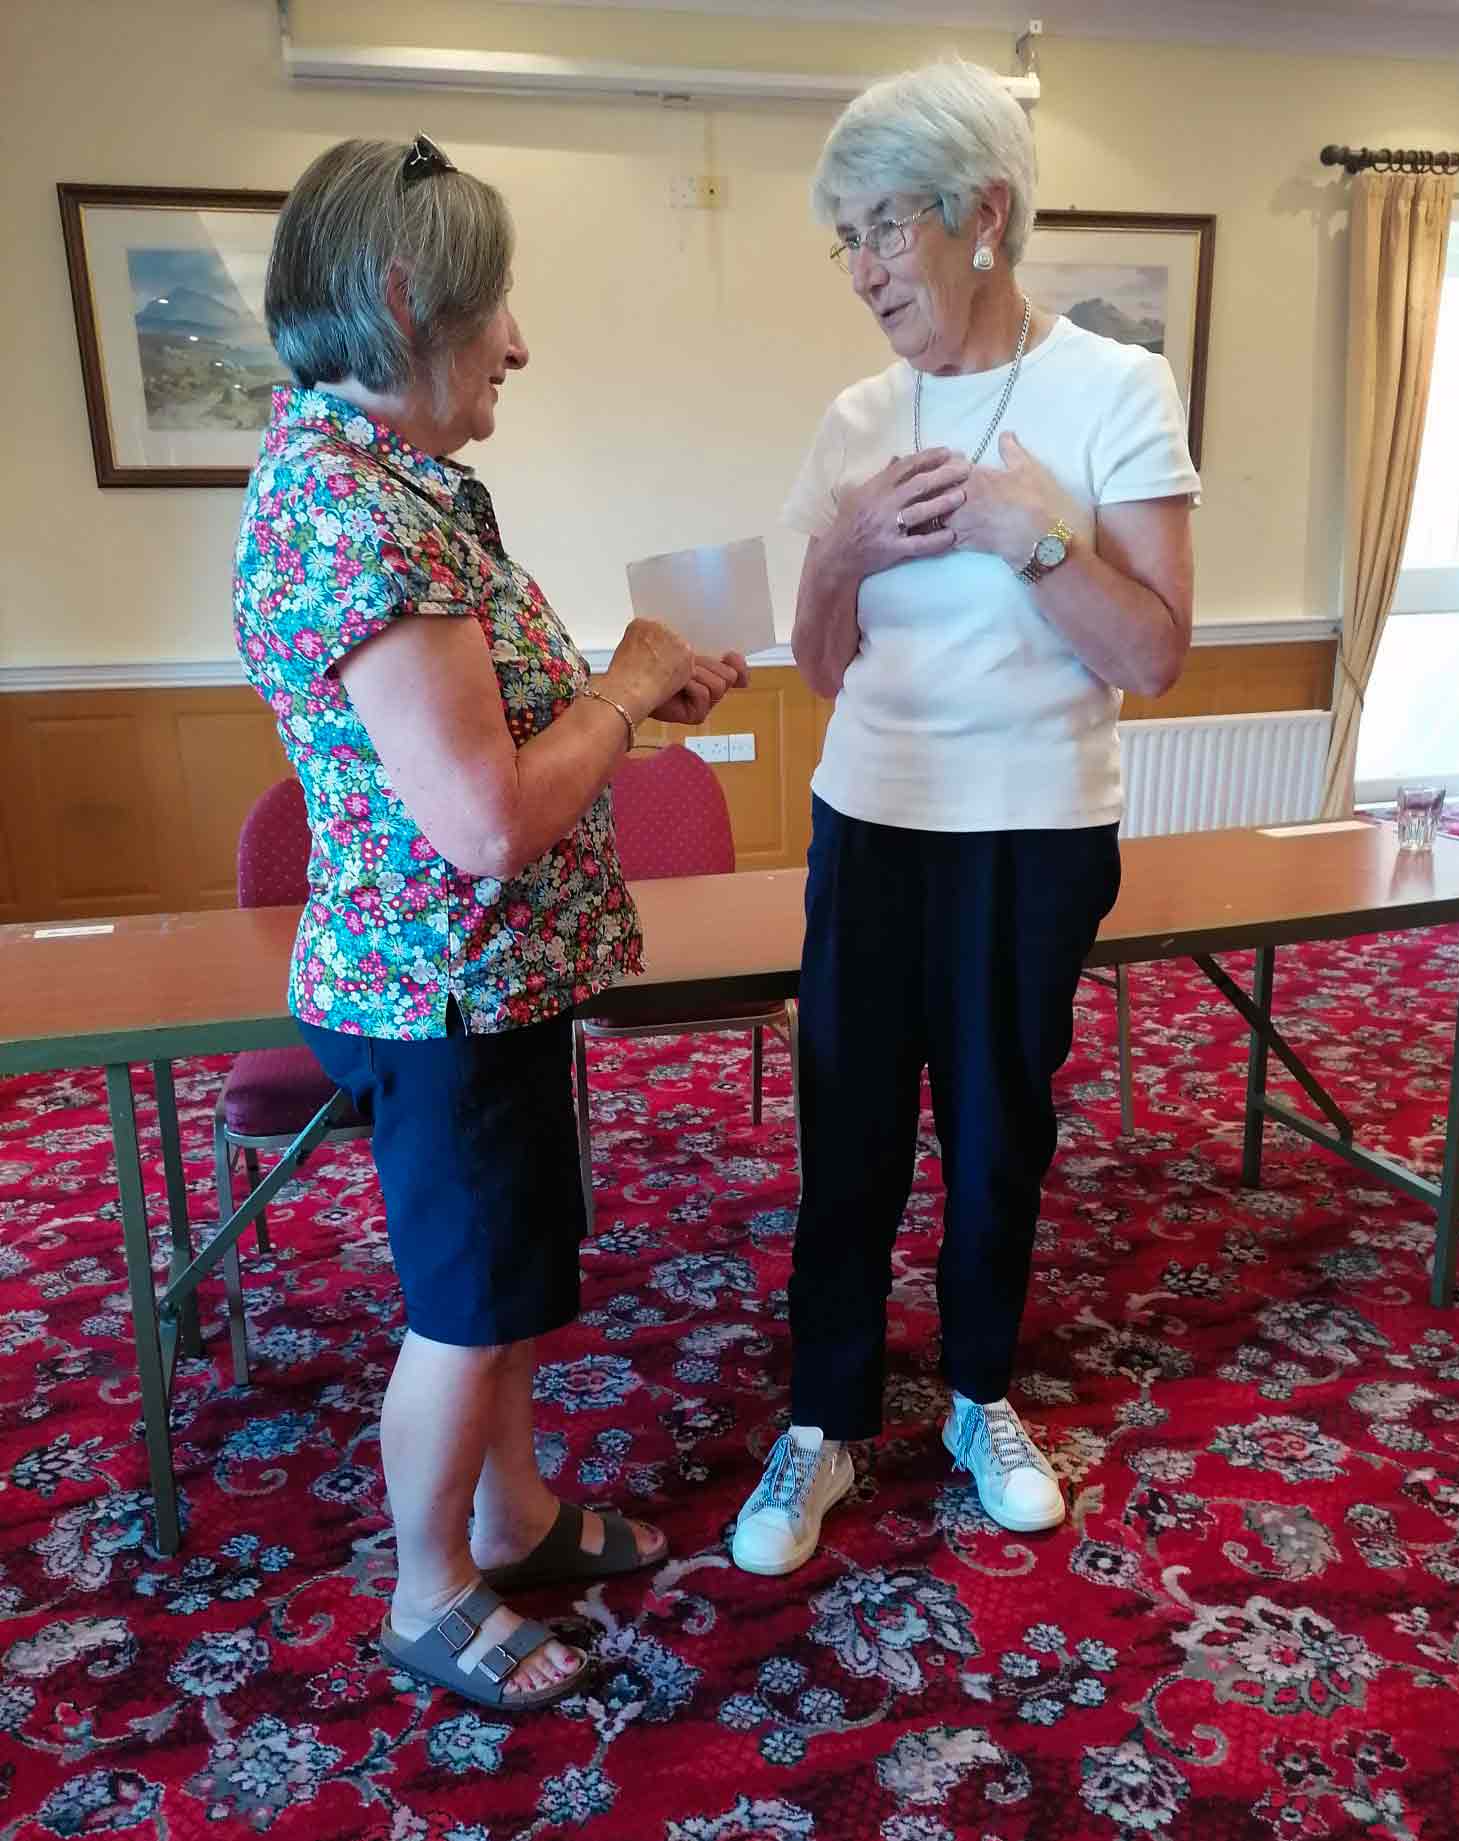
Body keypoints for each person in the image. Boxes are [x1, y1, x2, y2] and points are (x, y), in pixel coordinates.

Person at [234, 134, 748, 1710]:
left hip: (477, 981)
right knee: (462, 1310)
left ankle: (511, 1516)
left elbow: (493, 756)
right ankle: (430, 1586)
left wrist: (641, 699)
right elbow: (482, 824)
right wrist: (621, 680)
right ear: (405, 302)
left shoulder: (390, 482)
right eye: (496, 308)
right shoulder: (361, 513)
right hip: (438, 990)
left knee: (512, 1275)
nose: (517, 342)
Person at [732, 60, 1198, 1575]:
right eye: (845, 239)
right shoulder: (854, 415)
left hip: (1036, 827)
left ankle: (982, 1393)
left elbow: (1155, 653)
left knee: (999, 1132)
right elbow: (815, 660)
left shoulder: (1114, 390)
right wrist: (843, 553)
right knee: (847, 1132)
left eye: (883, 228)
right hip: (871, 814)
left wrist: (1037, 533)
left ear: (982, 215)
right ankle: (827, 1418)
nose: (863, 271)